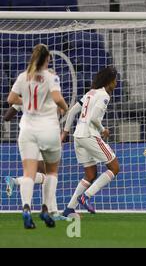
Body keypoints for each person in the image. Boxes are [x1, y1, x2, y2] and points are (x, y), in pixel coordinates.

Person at [7, 44, 68, 229]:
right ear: (47, 59)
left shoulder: (23, 76)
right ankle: (46, 209)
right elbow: (57, 98)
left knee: (29, 173)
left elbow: (10, 99)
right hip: (48, 129)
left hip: (27, 130)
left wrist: (25, 102)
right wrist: (65, 108)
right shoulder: (51, 77)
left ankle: (26, 209)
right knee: (51, 171)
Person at [61, 66, 119, 216]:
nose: (116, 83)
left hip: (78, 137)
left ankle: (68, 209)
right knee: (114, 168)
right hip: (90, 135)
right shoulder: (104, 95)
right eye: (115, 80)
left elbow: (72, 111)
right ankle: (85, 197)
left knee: (90, 174)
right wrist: (103, 130)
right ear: (109, 81)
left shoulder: (90, 93)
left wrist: (65, 132)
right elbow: (93, 118)